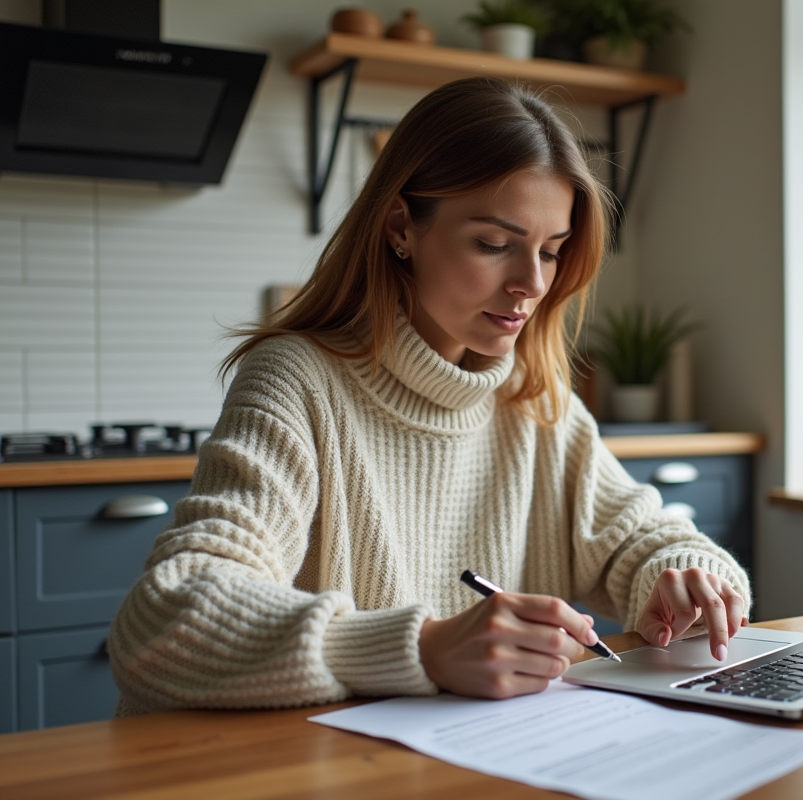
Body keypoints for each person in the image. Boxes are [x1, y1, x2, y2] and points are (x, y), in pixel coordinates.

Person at [108, 77, 750, 714]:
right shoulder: (297, 380)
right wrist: (423, 646)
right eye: (494, 244)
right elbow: (164, 620)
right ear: (401, 228)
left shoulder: (532, 398)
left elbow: (641, 538)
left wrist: (692, 578)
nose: (532, 283)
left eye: (551, 252)